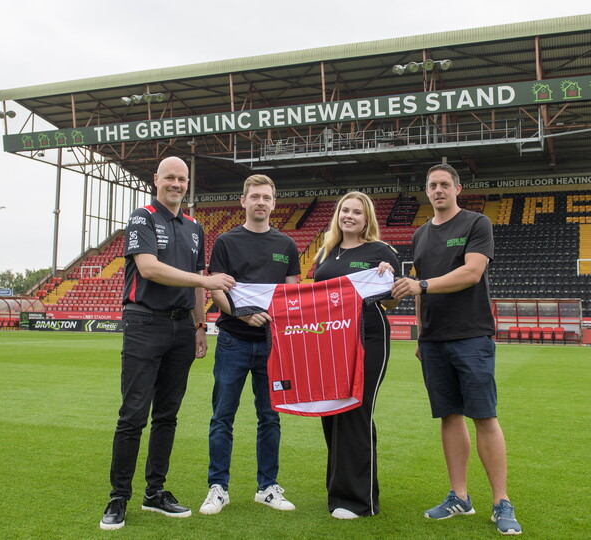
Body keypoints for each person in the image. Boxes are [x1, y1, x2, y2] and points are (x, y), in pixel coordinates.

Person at [100, 156, 236, 530]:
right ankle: (118, 497)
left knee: (167, 415)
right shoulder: (142, 216)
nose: (176, 184)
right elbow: (148, 268)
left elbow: (194, 280)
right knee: (133, 414)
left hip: (181, 330)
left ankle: (154, 492)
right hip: (144, 322)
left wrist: (199, 324)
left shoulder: (194, 226)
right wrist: (206, 282)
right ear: (156, 179)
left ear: (187, 183)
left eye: (182, 179)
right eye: (170, 178)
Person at [392, 163, 522, 535]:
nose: (438, 191)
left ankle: (501, 502)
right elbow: (418, 288)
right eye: (432, 185)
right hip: (434, 339)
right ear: (426, 191)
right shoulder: (419, 235)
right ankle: (459, 496)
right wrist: (420, 334)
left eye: (444, 184)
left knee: (484, 416)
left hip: (471, 335)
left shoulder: (475, 223)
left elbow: (472, 273)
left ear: (457, 188)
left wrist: (423, 286)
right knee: (449, 416)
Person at [199, 174, 301, 516]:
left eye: (266, 197)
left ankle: (267, 487)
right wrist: (243, 315)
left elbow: (292, 294)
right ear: (243, 201)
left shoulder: (286, 245)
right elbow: (215, 289)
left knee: (269, 418)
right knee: (222, 417)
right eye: (254, 196)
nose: (260, 202)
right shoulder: (227, 241)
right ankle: (218, 488)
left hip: (272, 345)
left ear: (274, 203)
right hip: (232, 339)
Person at [312, 191, 400, 520]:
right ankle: (339, 492)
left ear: (367, 219)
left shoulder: (380, 251)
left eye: (357, 212)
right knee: (331, 414)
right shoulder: (326, 253)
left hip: (368, 339)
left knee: (356, 413)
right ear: (338, 215)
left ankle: (359, 501)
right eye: (345, 210)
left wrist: (385, 278)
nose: (349, 216)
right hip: (329, 342)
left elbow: (391, 302)